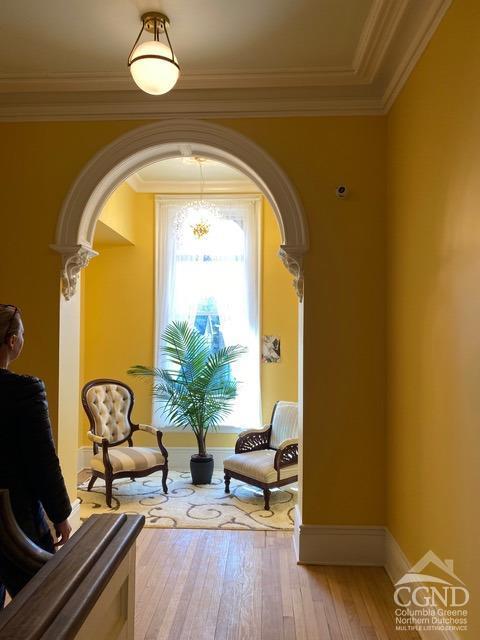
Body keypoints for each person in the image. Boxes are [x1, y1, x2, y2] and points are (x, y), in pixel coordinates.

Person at [0, 304, 72, 607]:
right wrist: (61, 515)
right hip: (14, 521)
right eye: (24, 334)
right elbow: (43, 461)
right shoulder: (25, 391)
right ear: (12, 342)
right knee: (42, 603)